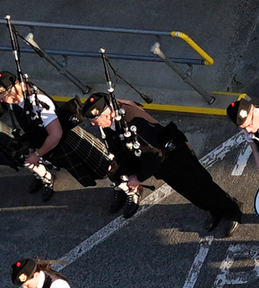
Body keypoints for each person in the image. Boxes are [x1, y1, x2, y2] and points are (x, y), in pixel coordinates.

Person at [82, 92, 242, 233]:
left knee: (201, 185)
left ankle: (231, 209)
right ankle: (214, 209)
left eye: (95, 119)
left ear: (107, 115)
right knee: (189, 192)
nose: (92, 124)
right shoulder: (112, 123)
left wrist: (138, 178)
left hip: (175, 157)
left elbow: (155, 155)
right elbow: (123, 150)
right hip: (162, 166)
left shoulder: (132, 123)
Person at [0, 72, 112, 201]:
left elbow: (56, 134)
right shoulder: (16, 101)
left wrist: (37, 155)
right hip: (51, 145)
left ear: (13, 90)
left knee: (103, 169)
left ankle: (123, 190)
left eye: (2, 96)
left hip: (68, 142)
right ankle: (46, 178)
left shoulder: (36, 103)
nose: (0, 100)